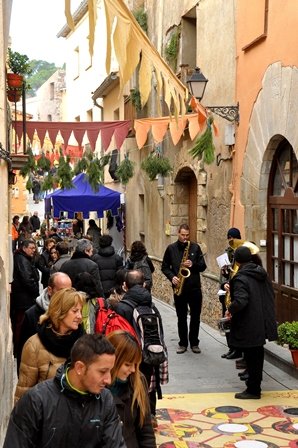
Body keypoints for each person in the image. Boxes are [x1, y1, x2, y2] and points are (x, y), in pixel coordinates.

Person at [4, 334, 126, 448]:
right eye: (102, 372)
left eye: (110, 371)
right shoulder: (36, 401)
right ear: (80, 368)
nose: (108, 380)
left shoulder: (105, 400)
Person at [15, 287, 85, 402]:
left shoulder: (84, 343)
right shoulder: (34, 345)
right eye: (75, 311)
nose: (79, 316)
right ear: (60, 311)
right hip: (45, 415)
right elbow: (24, 393)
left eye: (80, 311)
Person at [226, 246, 278, 399]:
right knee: (257, 356)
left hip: (249, 323)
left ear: (237, 260)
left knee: (251, 359)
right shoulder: (260, 273)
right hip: (261, 321)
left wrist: (230, 308)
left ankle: (253, 390)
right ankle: (255, 386)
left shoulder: (241, 277)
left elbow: (241, 301)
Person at [161, 223, 207, 354]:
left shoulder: (195, 248)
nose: (185, 238)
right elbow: (164, 267)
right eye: (183, 235)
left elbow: (203, 266)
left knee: (195, 317)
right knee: (181, 317)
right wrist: (172, 277)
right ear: (178, 234)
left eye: (187, 235)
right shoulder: (171, 249)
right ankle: (183, 343)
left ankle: (194, 343)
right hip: (179, 288)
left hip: (194, 288)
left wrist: (193, 264)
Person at [106, 331, 156, 448]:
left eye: (135, 364)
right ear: (114, 361)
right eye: (127, 365)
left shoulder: (138, 381)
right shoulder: (97, 386)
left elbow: (146, 430)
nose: (133, 370)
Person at [17, 272, 72, 370]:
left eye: (69, 291)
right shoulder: (32, 315)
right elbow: (24, 354)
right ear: (50, 290)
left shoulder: (73, 314)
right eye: (61, 291)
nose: (65, 295)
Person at [10, 239, 40, 357]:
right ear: (24, 248)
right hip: (24, 299)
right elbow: (27, 280)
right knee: (21, 325)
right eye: (31, 248)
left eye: (34, 248)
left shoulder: (23, 258)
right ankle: (20, 349)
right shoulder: (22, 260)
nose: (34, 251)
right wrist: (35, 291)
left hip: (23, 298)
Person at [220, 227, 243, 360]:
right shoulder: (227, 253)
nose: (231, 240)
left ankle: (237, 349)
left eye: (233, 237)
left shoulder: (243, 251)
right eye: (229, 238)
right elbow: (224, 275)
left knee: (237, 322)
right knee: (228, 321)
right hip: (227, 291)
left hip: (237, 292)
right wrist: (224, 277)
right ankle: (231, 347)